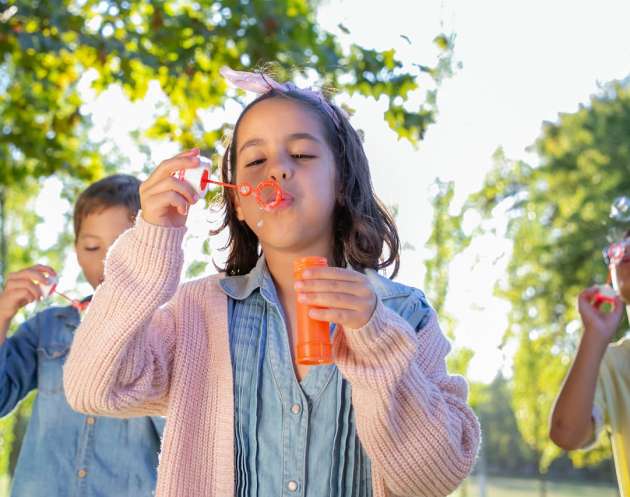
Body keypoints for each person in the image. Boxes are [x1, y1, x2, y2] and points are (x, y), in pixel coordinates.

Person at [64, 68, 480, 497]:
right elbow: (94, 388)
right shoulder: (198, 315)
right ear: (240, 202)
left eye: (300, 154)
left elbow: (432, 478)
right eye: (256, 160)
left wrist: (377, 343)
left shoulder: (403, 315)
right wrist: (153, 239)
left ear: (341, 183)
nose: (277, 169)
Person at [0, 174, 164, 497]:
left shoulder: (169, 333)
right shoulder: (47, 329)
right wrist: (3, 313)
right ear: (76, 250)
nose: (106, 261)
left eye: (121, 245)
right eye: (92, 246)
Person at [550, 232, 630, 494]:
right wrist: (594, 336)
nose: (626, 249)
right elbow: (566, 433)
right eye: (622, 244)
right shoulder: (610, 363)